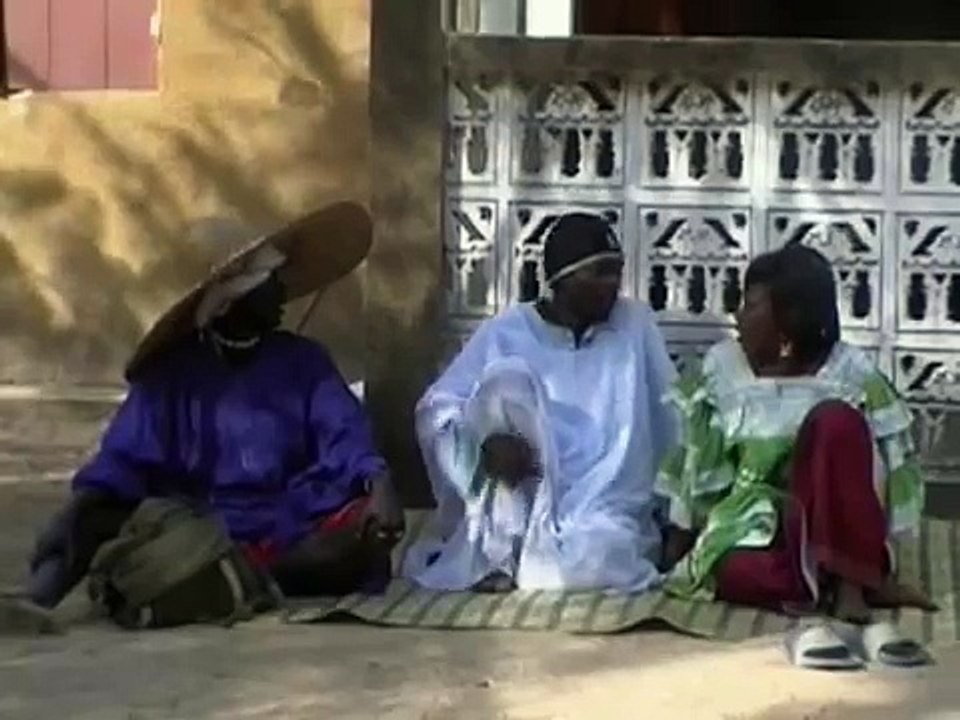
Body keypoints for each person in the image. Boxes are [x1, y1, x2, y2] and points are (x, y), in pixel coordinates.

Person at [24, 201, 405, 614]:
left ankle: (229, 581)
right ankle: (37, 602)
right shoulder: (171, 373)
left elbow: (345, 434)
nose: (282, 291)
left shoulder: (305, 362)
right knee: (92, 515)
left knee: (362, 540)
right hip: (196, 528)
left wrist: (377, 481)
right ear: (230, 298)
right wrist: (80, 510)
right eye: (269, 281)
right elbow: (123, 462)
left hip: (291, 527)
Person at [657, 243, 936, 669]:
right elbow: (696, 463)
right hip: (759, 527)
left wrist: (887, 550)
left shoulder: (850, 375)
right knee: (729, 570)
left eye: (751, 307)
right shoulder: (723, 369)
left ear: (788, 324)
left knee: (834, 422)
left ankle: (851, 581)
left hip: (842, 525)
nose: (738, 317)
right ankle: (826, 581)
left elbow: (894, 469)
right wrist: (680, 547)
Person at [403, 212, 679, 593]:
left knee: (594, 563)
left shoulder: (634, 325)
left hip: (603, 506)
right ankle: (502, 551)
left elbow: (673, 415)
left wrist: (677, 517)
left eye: (617, 271)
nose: (613, 284)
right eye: (599, 272)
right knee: (507, 380)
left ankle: (528, 566)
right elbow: (437, 411)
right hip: (518, 497)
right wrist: (480, 449)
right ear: (561, 279)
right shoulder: (507, 332)